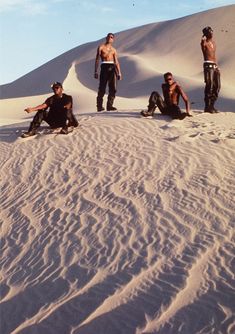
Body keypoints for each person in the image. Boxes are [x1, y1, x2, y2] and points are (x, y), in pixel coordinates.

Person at [94, 33, 122, 112]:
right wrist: (96, 71)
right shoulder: (101, 47)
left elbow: (116, 62)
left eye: (111, 37)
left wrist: (119, 72)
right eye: (109, 36)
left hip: (112, 68)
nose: (110, 38)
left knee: (113, 88)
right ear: (106, 38)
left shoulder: (114, 50)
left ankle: (109, 105)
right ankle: (99, 106)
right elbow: (97, 59)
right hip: (104, 67)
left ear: (113, 39)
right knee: (102, 87)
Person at [201, 26, 220, 113]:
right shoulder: (204, 43)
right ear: (206, 34)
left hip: (214, 66)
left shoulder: (214, 43)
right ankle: (207, 106)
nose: (212, 33)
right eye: (209, 32)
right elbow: (202, 45)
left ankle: (212, 105)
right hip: (208, 65)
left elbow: (214, 55)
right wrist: (203, 38)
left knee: (217, 86)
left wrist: (217, 66)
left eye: (212, 31)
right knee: (210, 85)